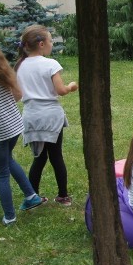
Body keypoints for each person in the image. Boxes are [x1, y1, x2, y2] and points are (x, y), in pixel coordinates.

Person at [15, 25, 78, 206]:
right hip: (51, 117)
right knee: (56, 156)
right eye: (51, 40)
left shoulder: (20, 66)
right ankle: (63, 196)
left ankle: (32, 196)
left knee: (39, 158)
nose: (52, 43)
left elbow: (18, 94)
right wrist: (71, 86)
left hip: (31, 116)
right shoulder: (51, 64)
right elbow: (61, 90)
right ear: (41, 44)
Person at [0, 32, 46, 224]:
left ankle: (9, 217)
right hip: (13, 125)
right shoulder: (1, 66)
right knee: (8, 160)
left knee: (1, 171)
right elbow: (18, 94)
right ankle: (31, 196)